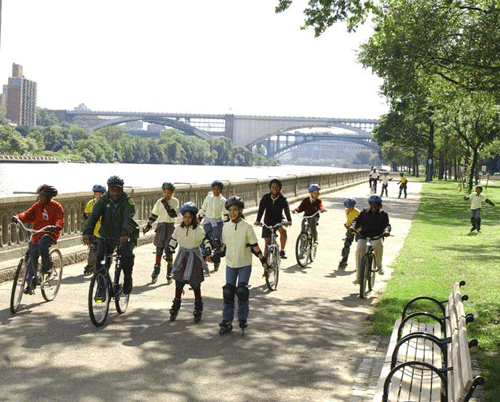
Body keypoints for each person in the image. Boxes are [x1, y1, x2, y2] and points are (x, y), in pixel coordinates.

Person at [209, 196, 267, 335]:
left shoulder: (247, 227)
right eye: (230, 210)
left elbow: (254, 246)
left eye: (235, 210)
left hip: (244, 264)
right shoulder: (226, 227)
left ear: (240, 210)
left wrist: (263, 261)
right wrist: (216, 255)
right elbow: (224, 247)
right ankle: (226, 321)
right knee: (228, 293)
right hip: (231, 264)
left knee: (241, 292)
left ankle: (242, 319)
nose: (233, 212)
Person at [83, 176, 138, 295]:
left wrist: (124, 234)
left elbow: (127, 219)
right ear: (108, 189)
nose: (115, 192)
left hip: (125, 234)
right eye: (112, 189)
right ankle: (101, 288)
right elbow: (93, 216)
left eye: (117, 189)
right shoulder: (103, 200)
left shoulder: (127, 201)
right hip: (107, 234)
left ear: (122, 189)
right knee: (100, 262)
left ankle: (128, 278)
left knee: (126, 256)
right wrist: (87, 232)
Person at [13, 184, 64, 294]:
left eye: (42, 197)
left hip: (50, 234)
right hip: (37, 234)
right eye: (39, 197)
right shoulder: (37, 206)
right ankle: (30, 283)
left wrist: (56, 226)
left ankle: (47, 268)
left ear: (49, 197)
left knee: (42, 244)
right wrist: (18, 217)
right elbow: (27, 214)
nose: (40, 199)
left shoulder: (56, 206)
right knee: (31, 255)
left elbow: (60, 218)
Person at [167, 202, 211, 322]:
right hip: (182, 256)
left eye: (189, 217)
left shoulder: (198, 229)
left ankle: (198, 306)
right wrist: (169, 251)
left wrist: (207, 250)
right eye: (185, 217)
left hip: (194, 256)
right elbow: (173, 240)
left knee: (195, 283)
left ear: (193, 218)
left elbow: (205, 240)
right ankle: (176, 304)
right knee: (178, 281)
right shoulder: (178, 229)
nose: (187, 219)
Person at [350, 194, 391, 284]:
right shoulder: (364, 212)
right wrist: (353, 226)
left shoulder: (383, 214)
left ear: (379, 204)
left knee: (379, 246)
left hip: (376, 236)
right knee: (359, 251)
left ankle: (379, 266)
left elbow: (386, 225)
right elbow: (356, 220)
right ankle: (359, 278)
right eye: (371, 204)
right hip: (363, 236)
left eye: (375, 204)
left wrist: (386, 231)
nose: (373, 206)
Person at [143, 182, 179, 284]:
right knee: (159, 249)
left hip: (170, 227)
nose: (166, 195)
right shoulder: (159, 202)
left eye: (168, 193)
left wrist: (165, 204)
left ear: (172, 193)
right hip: (161, 226)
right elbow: (154, 215)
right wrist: (148, 225)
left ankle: (169, 272)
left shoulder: (175, 201)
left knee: (169, 250)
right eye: (164, 192)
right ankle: (156, 270)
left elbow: (173, 214)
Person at [254, 178, 292, 259]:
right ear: (270, 188)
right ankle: (266, 266)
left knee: (283, 231)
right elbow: (261, 210)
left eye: (277, 187)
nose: (275, 189)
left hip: (278, 220)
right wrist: (258, 220)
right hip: (267, 221)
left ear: (279, 188)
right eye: (273, 187)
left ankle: (282, 250)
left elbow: (287, 210)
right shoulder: (265, 198)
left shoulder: (283, 199)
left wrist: (289, 220)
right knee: (267, 245)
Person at [198, 180, 227, 272]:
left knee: (216, 242)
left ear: (221, 190)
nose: (216, 191)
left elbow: (225, 214)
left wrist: (226, 224)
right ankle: (204, 259)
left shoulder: (223, 201)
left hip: (217, 223)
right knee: (205, 240)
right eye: (214, 189)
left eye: (218, 189)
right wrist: (199, 219)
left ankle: (216, 261)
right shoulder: (208, 198)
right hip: (207, 223)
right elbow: (203, 209)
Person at [83, 184, 106, 276]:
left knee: (104, 251)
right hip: (94, 231)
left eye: (99, 193)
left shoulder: (107, 203)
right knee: (93, 249)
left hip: (105, 231)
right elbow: (86, 215)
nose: (97, 195)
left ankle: (103, 266)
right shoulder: (91, 203)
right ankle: (90, 266)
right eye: (96, 193)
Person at [338, 198, 359, 270]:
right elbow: (349, 219)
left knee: (360, 246)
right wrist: (347, 224)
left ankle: (361, 261)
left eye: (350, 207)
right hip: (350, 230)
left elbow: (357, 222)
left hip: (358, 231)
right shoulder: (346, 211)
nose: (349, 208)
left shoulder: (357, 212)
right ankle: (344, 259)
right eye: (348, 207)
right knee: (347, 244)